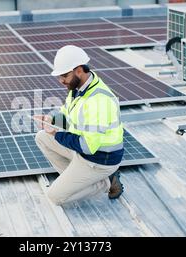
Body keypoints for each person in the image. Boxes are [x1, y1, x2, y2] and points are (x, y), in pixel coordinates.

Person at [34, 45, 124, 205]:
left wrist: (56, 134)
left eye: (64, 75)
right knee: (42, 137)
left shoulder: (98, 100)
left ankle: (106, 182)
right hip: (83, 153)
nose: (61, 81)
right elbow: (69, 115)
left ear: (79, 71)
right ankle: (76, 181)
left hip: (99, 160)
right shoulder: (78, 89)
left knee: (55, 197)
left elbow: (87, 146)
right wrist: (51, 120)